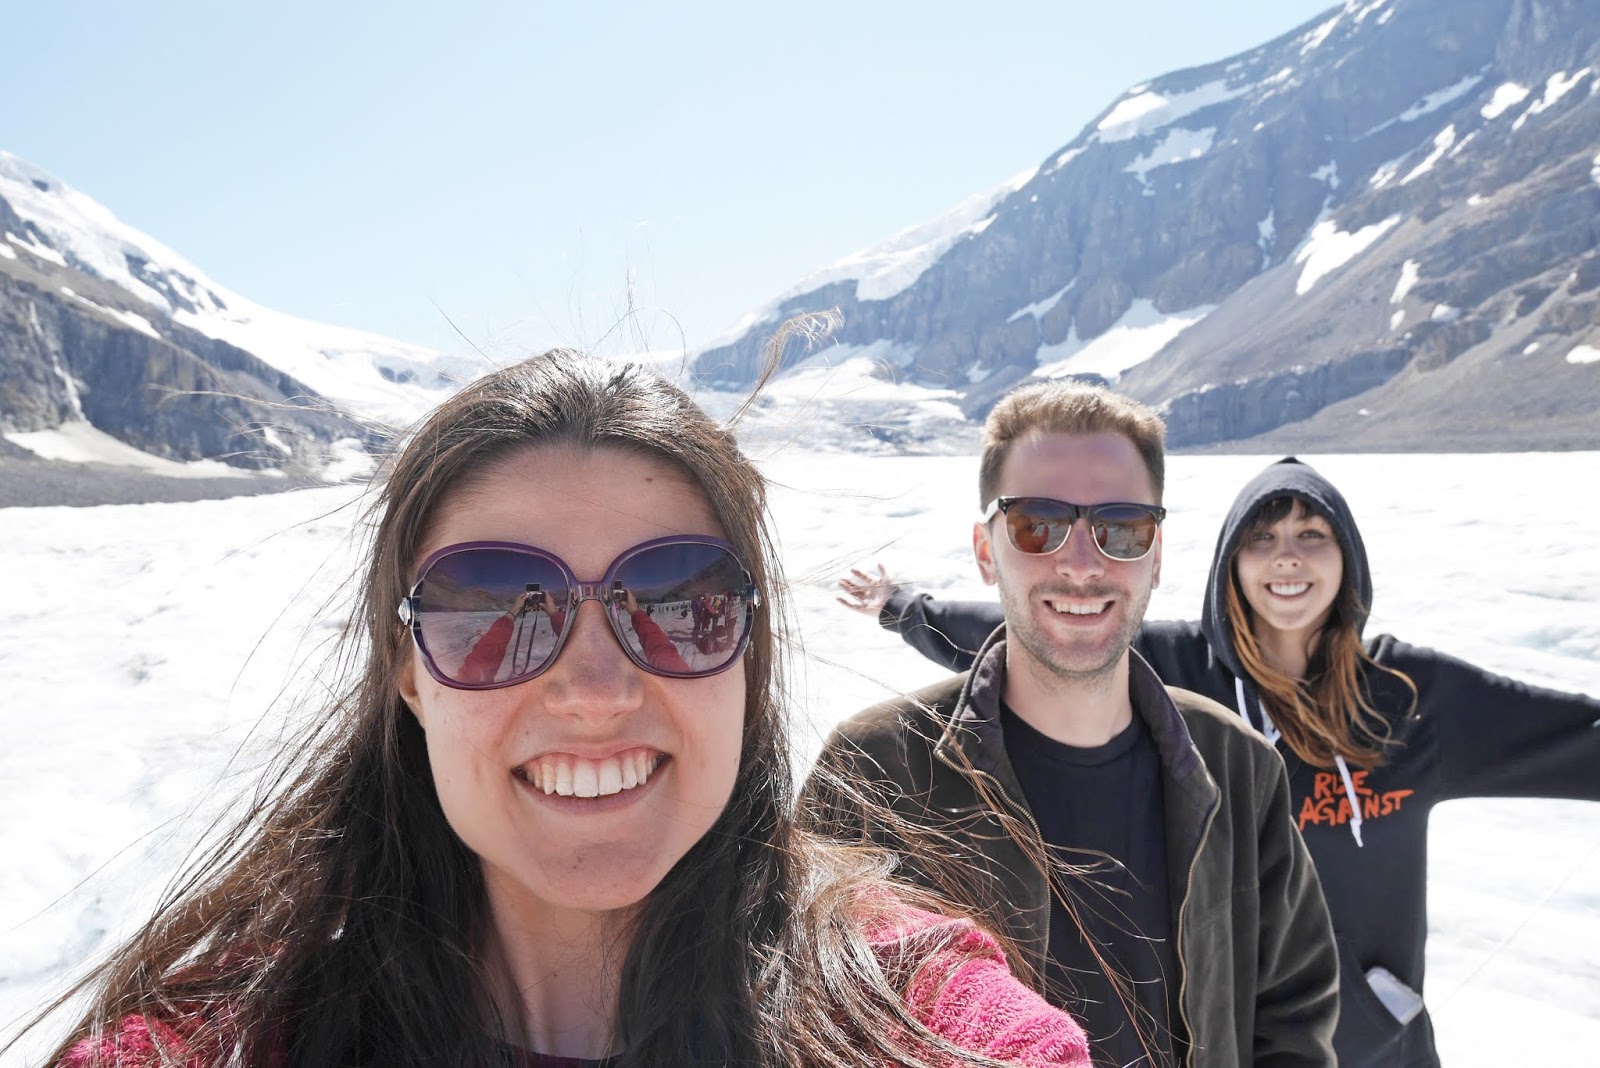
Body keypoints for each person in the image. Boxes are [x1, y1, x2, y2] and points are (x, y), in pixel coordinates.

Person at [30, 353, 1094, 1068]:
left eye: (679, 602)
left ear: (749, 652)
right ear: (405, 669)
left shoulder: (926, 1029)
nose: (592, 690)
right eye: (490, 606)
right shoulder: (209, 1047)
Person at [840, 455, 1600, 1068]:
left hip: (1379, 1046)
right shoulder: (1182, 672)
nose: (1287, 560)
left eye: (1312, 536)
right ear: (1229, 564)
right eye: (1262, 540)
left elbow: (1570, 735)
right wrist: (907, 607)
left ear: (1348, 558)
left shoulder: (1409, 696)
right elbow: (1037, 633)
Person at [805, 384, 1340, 1068]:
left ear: (1156, 553)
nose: (1082, 562)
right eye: (1038, 524)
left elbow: (1292, 1008)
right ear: (986, 548)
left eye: (1121, 527)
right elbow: (809, 1005)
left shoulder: (1234, 764)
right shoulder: (876, 768)